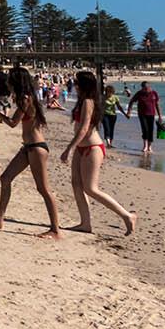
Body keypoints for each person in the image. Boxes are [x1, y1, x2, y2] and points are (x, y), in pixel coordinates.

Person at [0, 67, 62, 239]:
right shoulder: (25, 97)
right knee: (5, 178)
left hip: (36, 147)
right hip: (28, 147)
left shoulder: (26, 98)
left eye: (10, 79)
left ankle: (55, 230)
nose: (8, 82)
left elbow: (12, 123)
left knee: (43, 189)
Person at [61, 71, 135, 236]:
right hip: (82, 148)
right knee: (76, 184)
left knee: (91, 188)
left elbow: (84, 129)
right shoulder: (83, 101)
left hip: (92, 148)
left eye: (77, 83)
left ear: (83, 85)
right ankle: (85, 223)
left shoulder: (88, 101)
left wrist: (69, 148)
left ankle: (127, 216)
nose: (75, 85)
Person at [129, 81, 163, 154]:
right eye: (145, 88)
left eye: (148, 88)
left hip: (151, 114)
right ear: (142, 88)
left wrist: (160, 115)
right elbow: (131, 101)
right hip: (142, 114)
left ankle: (150, 146)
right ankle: (145, 146)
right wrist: (129, 111)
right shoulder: (139, 93)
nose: (147, 89)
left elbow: (157, 104)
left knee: (151, 130)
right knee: (145, 129)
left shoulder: (154, 93)